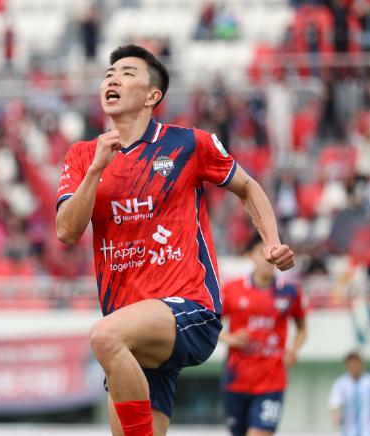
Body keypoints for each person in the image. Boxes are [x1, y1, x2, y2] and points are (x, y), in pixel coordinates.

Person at [55, 44, 295, 436]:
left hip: (189, 308)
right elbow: (66, 231)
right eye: (109, 73)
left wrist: (270, 241)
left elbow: (248, 187)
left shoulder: (188, 144)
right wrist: (96, 170)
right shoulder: (83, 156)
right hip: (133, 330)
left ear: (153, 96)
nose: (113, 79)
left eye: (127, 73)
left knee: (104, 336)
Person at [219, 234, 307, 436]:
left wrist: (293, 350)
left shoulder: (290, 292)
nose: (268, 258)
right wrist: (231, 339)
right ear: (250, 256)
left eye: (273, 253)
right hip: (236, 380)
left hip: (272, 381)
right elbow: (210, 327)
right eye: (262, 252)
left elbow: (302, 329)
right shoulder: (232, 289)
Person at [329, 351, 370, 436]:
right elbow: (335, 404)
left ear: (361, 364)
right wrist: (337, 416)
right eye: (351, 363)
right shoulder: (340, 383)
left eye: (356, 363)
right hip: (348, 432)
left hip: (369, 431)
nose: (354, 366)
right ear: (347, 365)